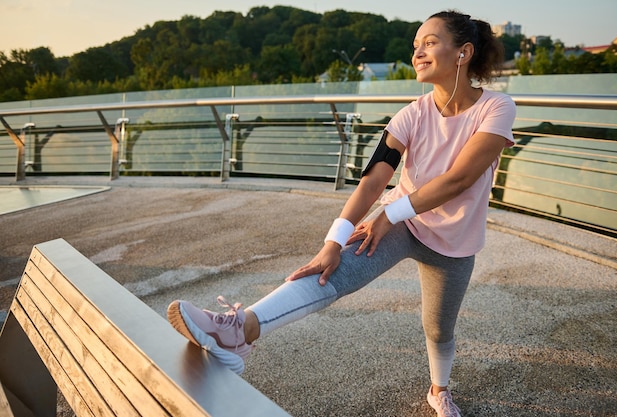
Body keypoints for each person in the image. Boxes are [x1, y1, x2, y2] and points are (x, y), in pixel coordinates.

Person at [167, 9, 516, 417]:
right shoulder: (410, 114)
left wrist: (390, 213)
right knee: (335, 269)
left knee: (439, 328)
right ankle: (238, 330)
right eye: (415, 45)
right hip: (406, 223)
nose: (418, 52)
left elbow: (459, 179)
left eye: (430, 42)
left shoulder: (496, 108)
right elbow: (372, 180)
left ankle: (439, 391)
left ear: (463, 52)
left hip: (454, 242)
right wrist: (333, 241)